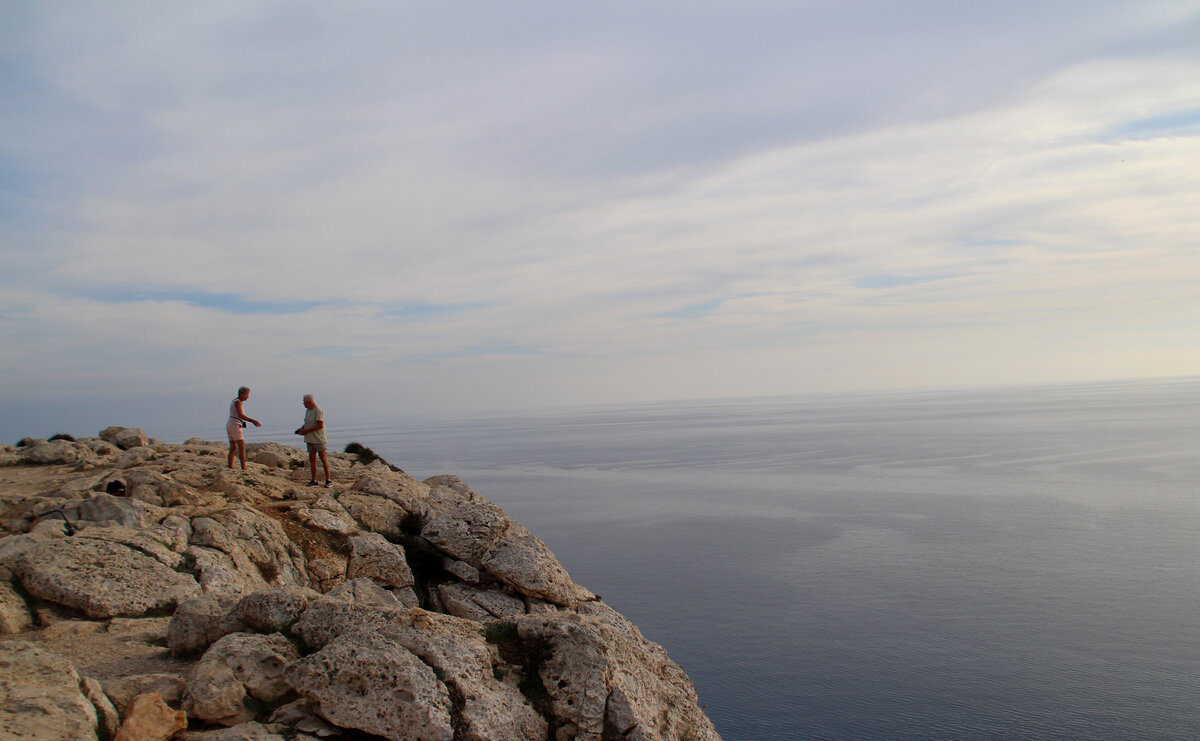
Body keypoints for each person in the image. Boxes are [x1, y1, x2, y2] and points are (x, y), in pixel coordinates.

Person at [294, 393, 331, 487]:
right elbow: (307, 423)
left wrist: (306, 431)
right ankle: (314, 480)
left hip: (319, 439)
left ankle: (328, 480)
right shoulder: (308, 411)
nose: (303, 404)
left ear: (308, 401)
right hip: (310, 439)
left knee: (323, 458)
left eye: (304, 402)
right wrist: (301, 429)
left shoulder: (317, 410)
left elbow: (320, 425)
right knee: (312, 459)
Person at [227, 386, 262, 470]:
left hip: (231, 424)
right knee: (241, 447)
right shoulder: (238, 402)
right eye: (247, 394)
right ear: (242, 394)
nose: (248, 397)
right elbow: (240, 415)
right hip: (235, 425)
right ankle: (243, 467)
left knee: (233, 447)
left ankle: (230, 466)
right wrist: (253, 421)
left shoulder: (234, 401)